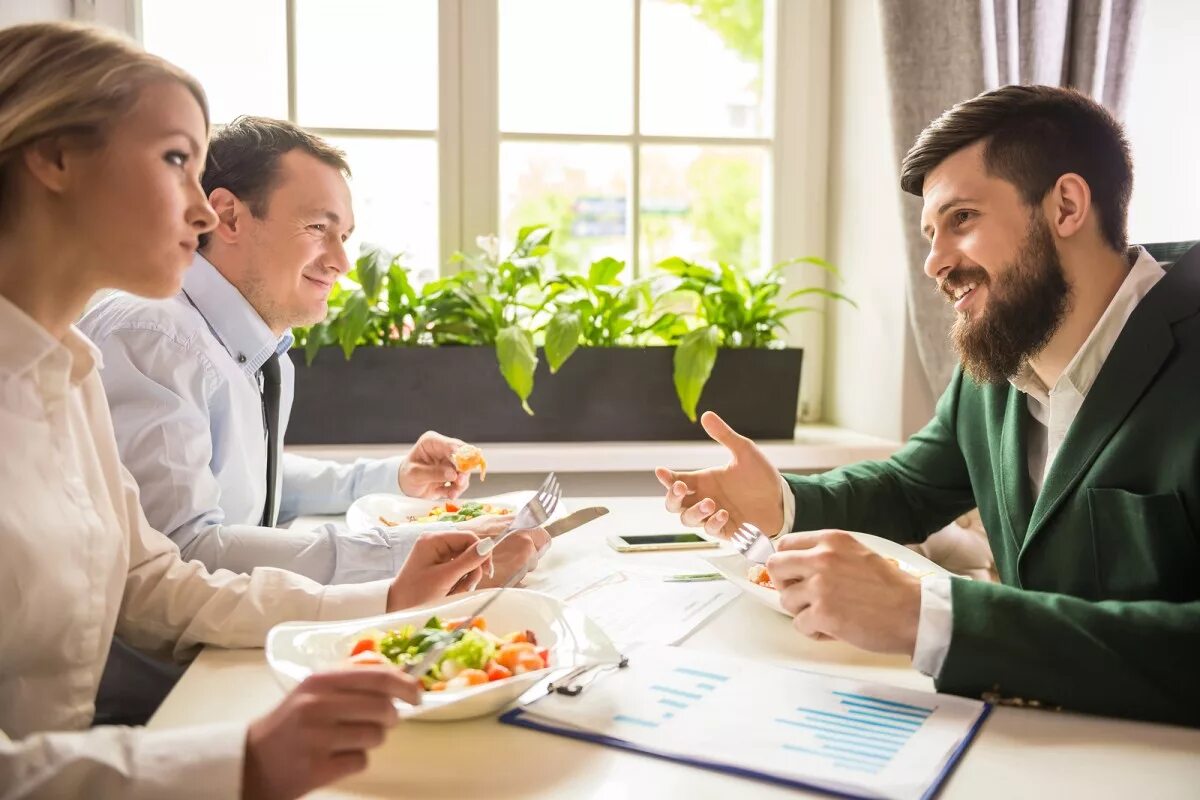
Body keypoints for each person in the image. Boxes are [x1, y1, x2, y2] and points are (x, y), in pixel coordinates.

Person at [0, 21, 492, 797]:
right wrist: (240, 762)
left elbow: (151, 579)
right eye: (175, 162)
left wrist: (384, 595)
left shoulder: (71, 372)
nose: (200, 210)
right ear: (56, 159)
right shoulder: (143, 333)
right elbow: (190, 547)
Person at [656, 85, 1200, 727]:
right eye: (930, 233)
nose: (935, 263)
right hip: (1024, 739)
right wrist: (784, 501)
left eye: (962, 218)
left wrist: (932, 617)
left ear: (1067, 205)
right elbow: (909, 486)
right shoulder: (1004, 348)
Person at [78, 116, 547, 590]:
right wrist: (429, 554)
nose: (341, 262)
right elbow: (184, 551)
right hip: (173, 663)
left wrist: (397, 477)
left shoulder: (251, 345)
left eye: (343, 237)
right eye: (318, 227)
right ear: (229, 216)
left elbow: (252, 483)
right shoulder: (156, 338)